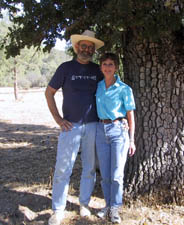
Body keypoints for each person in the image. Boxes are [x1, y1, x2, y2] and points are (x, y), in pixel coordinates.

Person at [45, 30, 104, 225]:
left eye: (90, 47)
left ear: (93, 50)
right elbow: (49, 92)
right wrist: (58, 119)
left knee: (89, 168)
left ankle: (84, 204)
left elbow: (107, 94)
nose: (86, 49)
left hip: (94, 125)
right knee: (63, 168)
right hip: (70, 126)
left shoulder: (98, 70)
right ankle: (58, 210)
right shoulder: (65, 68)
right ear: (77, 47)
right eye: (83, 46)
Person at [95, 53, 136, 223]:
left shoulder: (124, 89)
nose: (107, 67)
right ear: (101, 67)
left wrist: (132, 139)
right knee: (105, 173)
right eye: (104, 64)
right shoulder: (97, 86)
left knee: (117, 174)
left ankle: (115, 208)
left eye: (111, 64)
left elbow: (130, 115)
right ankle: (107, 204)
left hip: (119, 131)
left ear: (116, 67)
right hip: (100, 130)